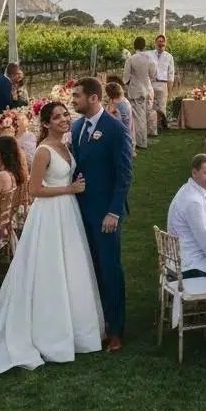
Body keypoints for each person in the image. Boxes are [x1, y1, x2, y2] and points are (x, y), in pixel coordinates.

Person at [0, 100, 105, 373]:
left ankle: (75, 329)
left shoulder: (66, 145)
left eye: (65, 115)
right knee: (49, 271)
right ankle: (47, 332)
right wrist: (69, 188)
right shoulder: (43, 151)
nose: (63, 120)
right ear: (46, 123)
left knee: (70, 267)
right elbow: (36, 190)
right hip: (49, 214)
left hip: (67, 214)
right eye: (57, 117)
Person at [69, 77, 133, 352]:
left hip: (106, 214)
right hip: (79, 211)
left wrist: (114, 212)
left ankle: (116, 329)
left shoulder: (115, 129)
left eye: (77, 96)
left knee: (109, 270)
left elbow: (124, 174)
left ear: (93, 98)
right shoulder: (76, 128)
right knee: (88, 269)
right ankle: (94, 323)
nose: (73, 100)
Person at [167, 154, 206, 279]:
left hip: (184, 258)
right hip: (191, 266)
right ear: (194, 173)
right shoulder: (194, 202)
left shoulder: (190, 190)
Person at [123, 37, 157, 151]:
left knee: (138, 117)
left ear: (134, 46)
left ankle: (141, 142)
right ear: (144, 46)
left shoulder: (131, 59)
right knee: (146, 115)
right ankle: (143, 139)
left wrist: (128, 85)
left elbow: (126, 77)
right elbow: (153, 75)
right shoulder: (150, 58)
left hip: (136, 90)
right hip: (148, 89)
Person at [149, 34, 175, 134]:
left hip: (163, 84)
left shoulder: (169, 57)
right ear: (155, 42)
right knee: (150, 106)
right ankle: (151, 127)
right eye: (159, 41)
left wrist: (169, 88)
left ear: (165, 44)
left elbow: (171, 73)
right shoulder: (150, 55)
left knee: (162, 107)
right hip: (151, 83)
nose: (161, 44)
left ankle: (161, 127)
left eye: (162, 42)